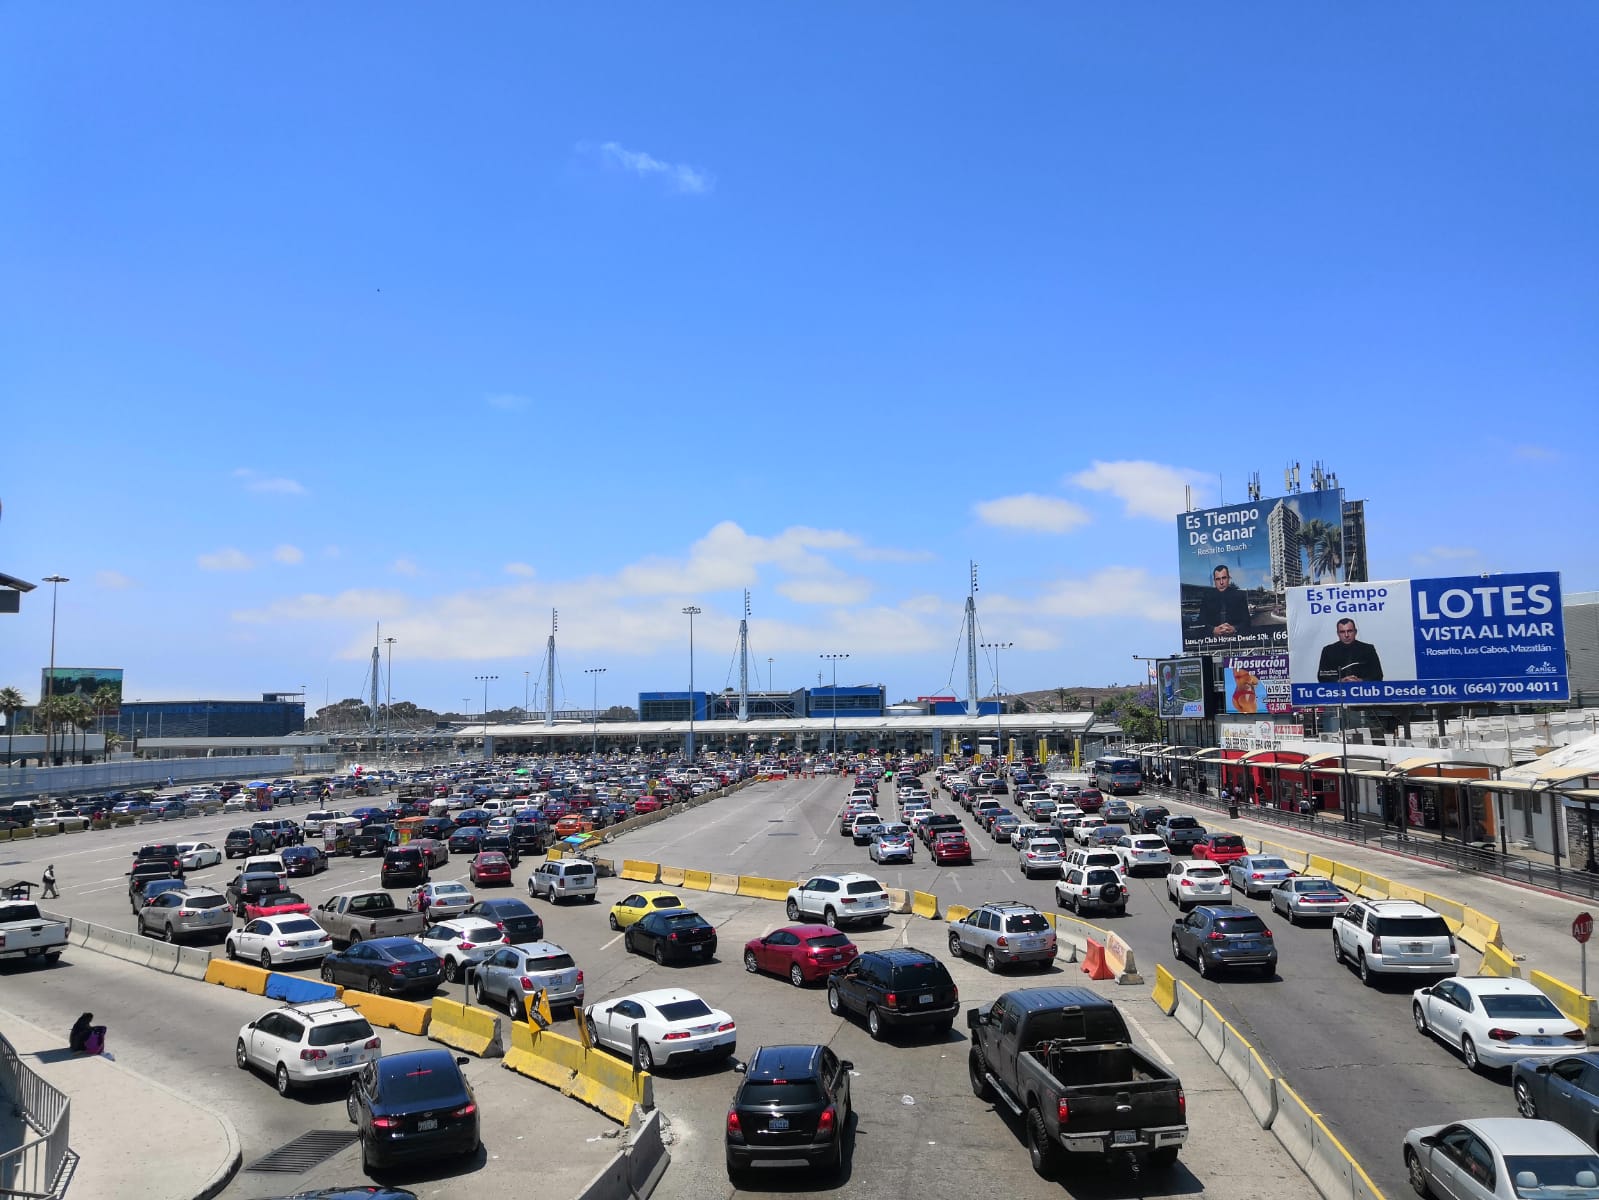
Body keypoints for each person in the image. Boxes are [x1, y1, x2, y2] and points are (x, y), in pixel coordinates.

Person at [1316, 618, 1384, 682]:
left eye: (1349, 631)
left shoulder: (1368, 649)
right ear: (1338, 634)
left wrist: (1361, 681)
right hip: (1337, 689)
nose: (1346, 635)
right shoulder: (1328, 651)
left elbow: (1378, 675)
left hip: (1363, 688)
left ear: (1355, 632)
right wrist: (1339, 681)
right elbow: (1322, 676)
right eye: (1342, 632)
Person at [1195, 565, 1252, 638]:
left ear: (1229, 578)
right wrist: (1213, 629)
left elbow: (1247, 622)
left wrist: (1234, 628)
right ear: (1214, 581)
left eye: (1224, 578)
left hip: (1235, 639)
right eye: (1218, 579)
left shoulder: (1240, 596)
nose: (1221, 582)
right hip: (1213, 641)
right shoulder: (1207, 598)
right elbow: (1201, 622)